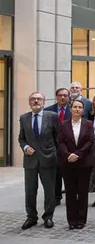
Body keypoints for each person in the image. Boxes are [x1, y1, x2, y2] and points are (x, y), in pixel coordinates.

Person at [19, 92, 60, 230]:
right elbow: (21, 138)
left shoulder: (52, 116)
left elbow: (58, 137)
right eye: (33, 99)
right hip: (30, 160)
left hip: (48, 159)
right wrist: (25, 147)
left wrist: (55, 154)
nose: (36, 101)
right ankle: (31, 217)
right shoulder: (24, 118)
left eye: (39, 99)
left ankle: (48, 217)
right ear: (29, 102)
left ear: (43, 102)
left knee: (49, 190)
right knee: (30, 191)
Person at [57, 99, 95, 230]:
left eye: (80, 107)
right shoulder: (63, 124)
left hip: (84, 162)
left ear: (83, 110)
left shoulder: (89, 124)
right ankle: (72, 220)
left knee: (83, 192)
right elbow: (60, 142)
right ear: (71, 109)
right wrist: (68, 155)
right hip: (67, 163)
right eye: (75, 107)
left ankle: (81, 219)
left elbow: (90, 142)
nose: (77, 109)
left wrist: (78, 154)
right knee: (70, 192)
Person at [45, 87, 71, 205]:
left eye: (65, 95)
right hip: (53, 146)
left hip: (69, 146)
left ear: (68, 97)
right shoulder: (48, 110)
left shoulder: (74, 109)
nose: (62, 97)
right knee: (55, 173)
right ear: (56, 96)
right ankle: (56, 196)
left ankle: (71, 195)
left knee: (69, 172)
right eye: (60, 95)